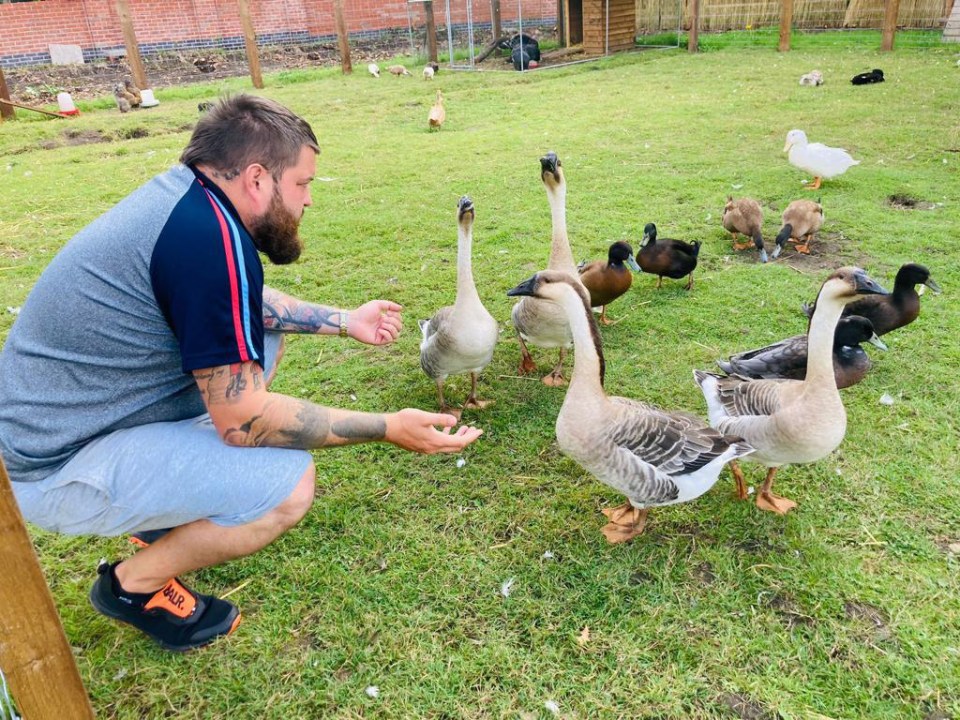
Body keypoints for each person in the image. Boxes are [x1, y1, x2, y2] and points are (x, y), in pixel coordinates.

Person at [0, 94, 482, 652]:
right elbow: (244, 421)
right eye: (302, 185)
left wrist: (344, 321)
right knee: (287, 486)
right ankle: (134, 587)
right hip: (49, 467)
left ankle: (166, 514)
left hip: (76, 418)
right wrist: (387, 426)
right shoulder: (206, 241)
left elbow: (240, 301)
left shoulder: (191, 205)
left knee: (266, 338)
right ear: (258, 179)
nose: (306, 202)